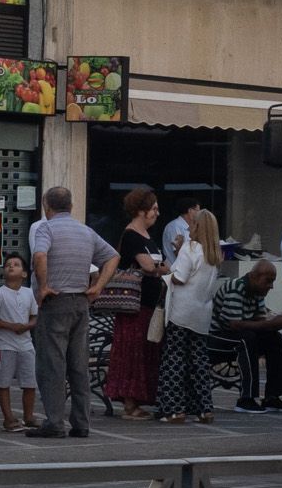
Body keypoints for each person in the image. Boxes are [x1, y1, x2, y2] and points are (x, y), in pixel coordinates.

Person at [24, 189, 104, 440]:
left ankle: (55, 422)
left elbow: (39, 255)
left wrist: (44, 285)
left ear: (46, 204)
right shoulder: (86, 231)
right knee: (79, 365)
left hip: (55, 301)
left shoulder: (46, 229)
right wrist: (98, 287)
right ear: (71, 205)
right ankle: (81, 423)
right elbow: (112, 256)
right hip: (80, 301)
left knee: (52, 364)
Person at [101, 187, 165, 418]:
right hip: (134, 304)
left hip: (150, 303)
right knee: (133, 351)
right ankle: (130, 402)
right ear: (141, 211)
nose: (157, 213)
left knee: (147, 350)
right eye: (154, 208)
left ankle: (139, 399)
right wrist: (164, 269)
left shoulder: (148, 236)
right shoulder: (131, 235)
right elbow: (148, 266)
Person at [157, 209, 219, 424]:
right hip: (202, 313)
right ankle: (204, 409)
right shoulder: (214, 253)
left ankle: (175, 410)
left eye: (192, 225)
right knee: (199, 361)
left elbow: (180, 278)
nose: (189, 228)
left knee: (174, 360)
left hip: (182, 311)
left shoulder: (191, 248)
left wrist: (166, 272)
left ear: (197, 227)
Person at [217, 254, 282, 411]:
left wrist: (280, 322)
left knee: (275, 338)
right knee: (247, 339)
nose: (271, 286)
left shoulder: (257, 292)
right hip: (220, 336)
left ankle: (273, 396)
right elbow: (235, 325)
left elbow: (260, 319)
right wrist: (272, 324)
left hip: (240, 334)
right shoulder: (236, 288)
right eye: (268, 281)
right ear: (254, 277)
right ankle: (247, 398)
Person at [0, 251, 39, 432]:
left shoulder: (28, 293)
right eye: (8, 265)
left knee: (30, 381)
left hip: (26, 343)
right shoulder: (0, 293)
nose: (11, 267)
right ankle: (8, 417)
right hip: (6, 344)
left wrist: (27, 326)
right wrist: (11, 326)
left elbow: (34, 316)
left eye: (16, 265)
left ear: (24, 273)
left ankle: (29, 415)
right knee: (4, 381)